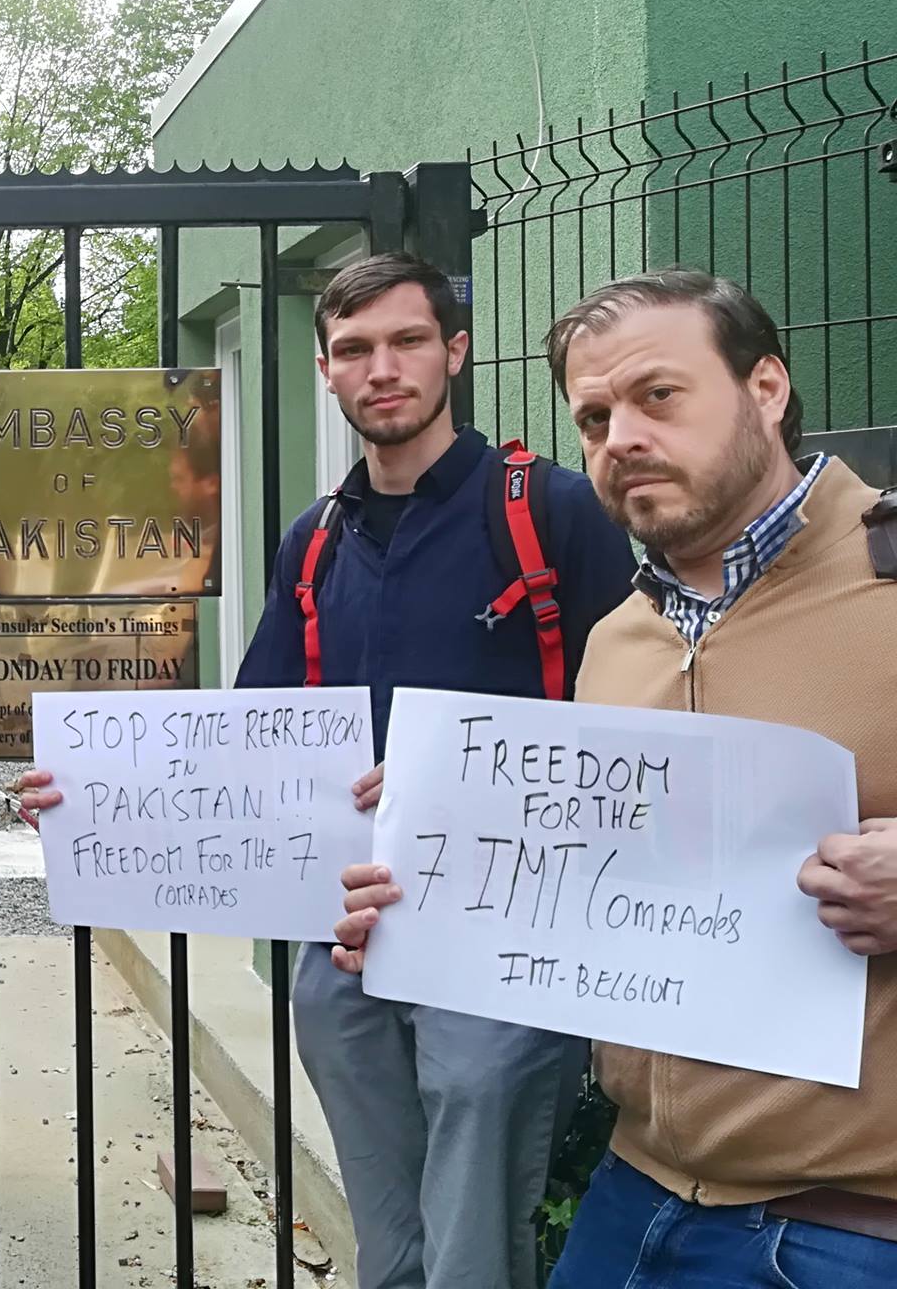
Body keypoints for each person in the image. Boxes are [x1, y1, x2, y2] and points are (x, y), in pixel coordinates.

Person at [18, 251, 639, 1288]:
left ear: (453, 351)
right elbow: (252, 737)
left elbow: (631, 721)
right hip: (343, 942)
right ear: (324, 369)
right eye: (352, 349)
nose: (379, 368)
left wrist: (448, 786)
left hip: (498, 934)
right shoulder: (312, 541)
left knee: (473, 1246)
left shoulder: (550, 512)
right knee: (386, 1240)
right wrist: (91, 795)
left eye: (404, 341)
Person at [337, 270, 897, 1285]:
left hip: (845, 1230)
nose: (618, 438)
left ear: (764, 388)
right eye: (591, 418)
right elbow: (590, 885)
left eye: (656, 397)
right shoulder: (617, 640)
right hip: (633, 1200)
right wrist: (426, 894)